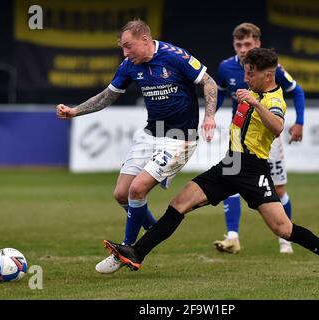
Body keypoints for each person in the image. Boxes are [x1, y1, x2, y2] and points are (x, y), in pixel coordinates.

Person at [102, 48, 319, 281]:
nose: (246, 79)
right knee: (179, 204)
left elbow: (278, 126)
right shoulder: (251, 92)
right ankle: (137, 252)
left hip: (253, 170)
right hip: (230, 165)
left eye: (251, 74)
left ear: (267, 76)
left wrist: (255, 102)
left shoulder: (273, 100)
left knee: (283, 228)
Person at [56, 19, 217, 274]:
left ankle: (127, 249)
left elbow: (209, 82)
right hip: (151, 134)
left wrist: (209, 116)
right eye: (122, 48)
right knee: (121, 194)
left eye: (128, 47)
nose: (125, 53)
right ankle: (153, 232)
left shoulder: (175, 56)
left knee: (137, 189)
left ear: (145, 40)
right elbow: (108, 96)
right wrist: (75, 111)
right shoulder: (129, 66)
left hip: (180, 138)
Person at [213, 23, 305, 254]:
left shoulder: (272, 69)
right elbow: (221, 91)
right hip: (239, 137)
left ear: (258, 44)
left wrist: (300, 121)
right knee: (230, 181)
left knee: (279, 189)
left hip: (266, 138)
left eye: (248, 44)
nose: (243, 49)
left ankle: (286, 239)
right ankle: (232, 237)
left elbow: (297, 91)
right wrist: (209, 117)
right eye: (239, 44)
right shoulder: (225, 67)